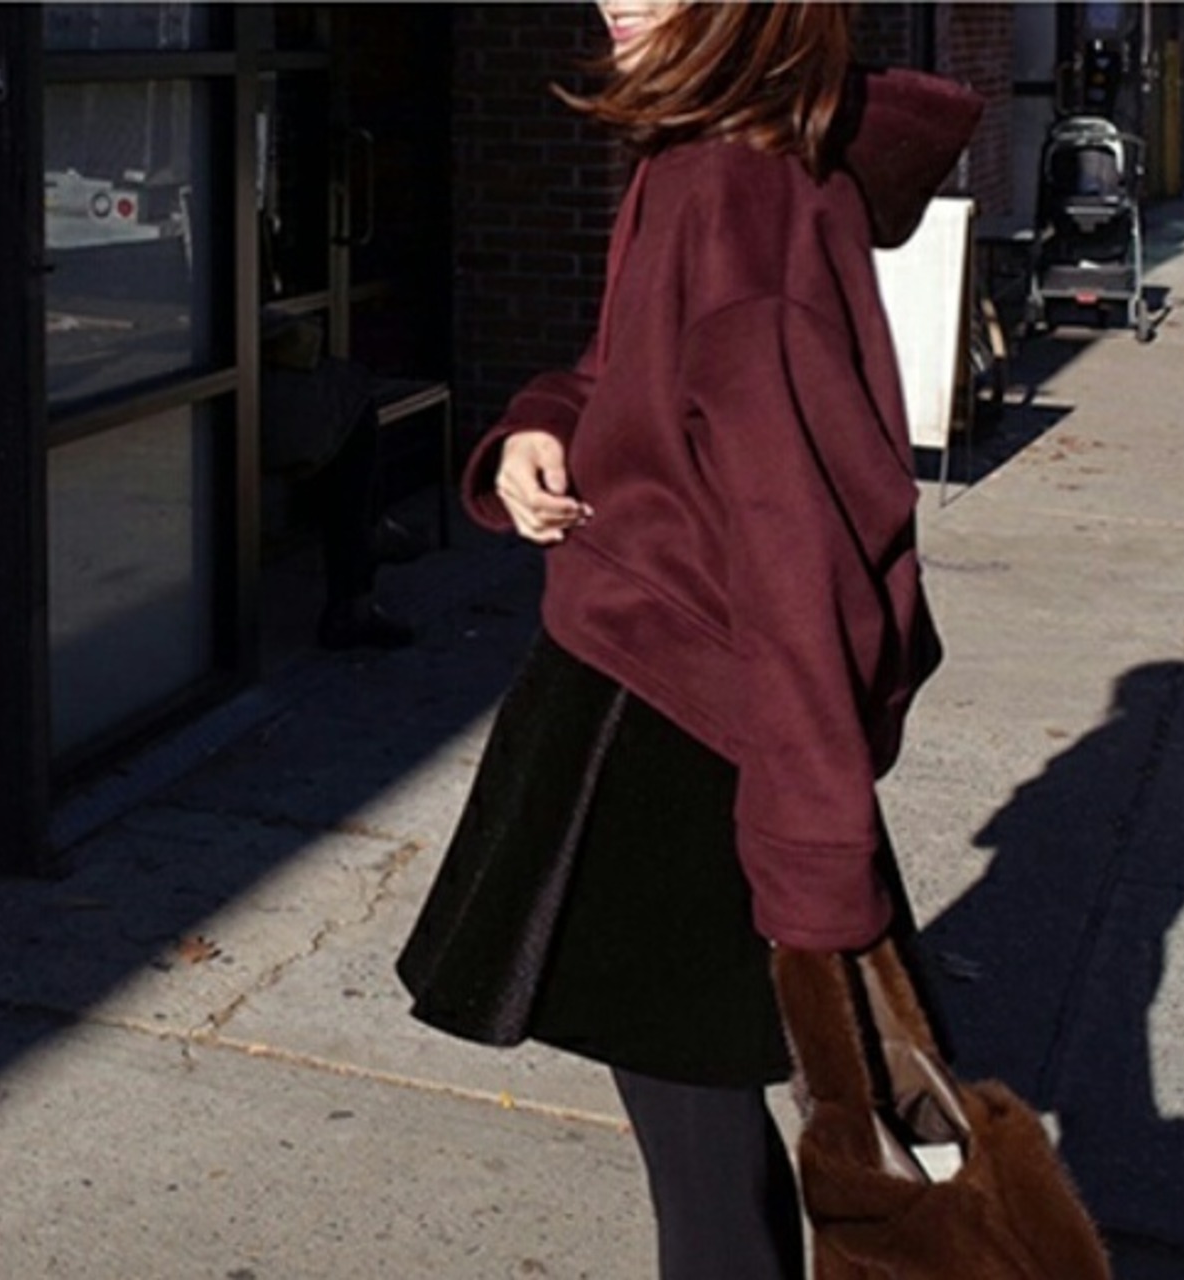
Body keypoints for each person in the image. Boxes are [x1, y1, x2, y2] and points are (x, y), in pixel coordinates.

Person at [396, 5, 982, 1277]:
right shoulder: (701, 148)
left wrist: (815, 850)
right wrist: (546, 422)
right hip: (670, 695)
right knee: (706, 1137)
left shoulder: (737, 182)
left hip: (683, 728)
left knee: (708, 1162)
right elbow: (631, 371)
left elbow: (801, 543)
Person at [259, 312, 424, 651]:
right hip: (229, 394)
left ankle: (367, 541)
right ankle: (354, 594)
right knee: (349, 407)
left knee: (345, 402)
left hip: (231, 386)